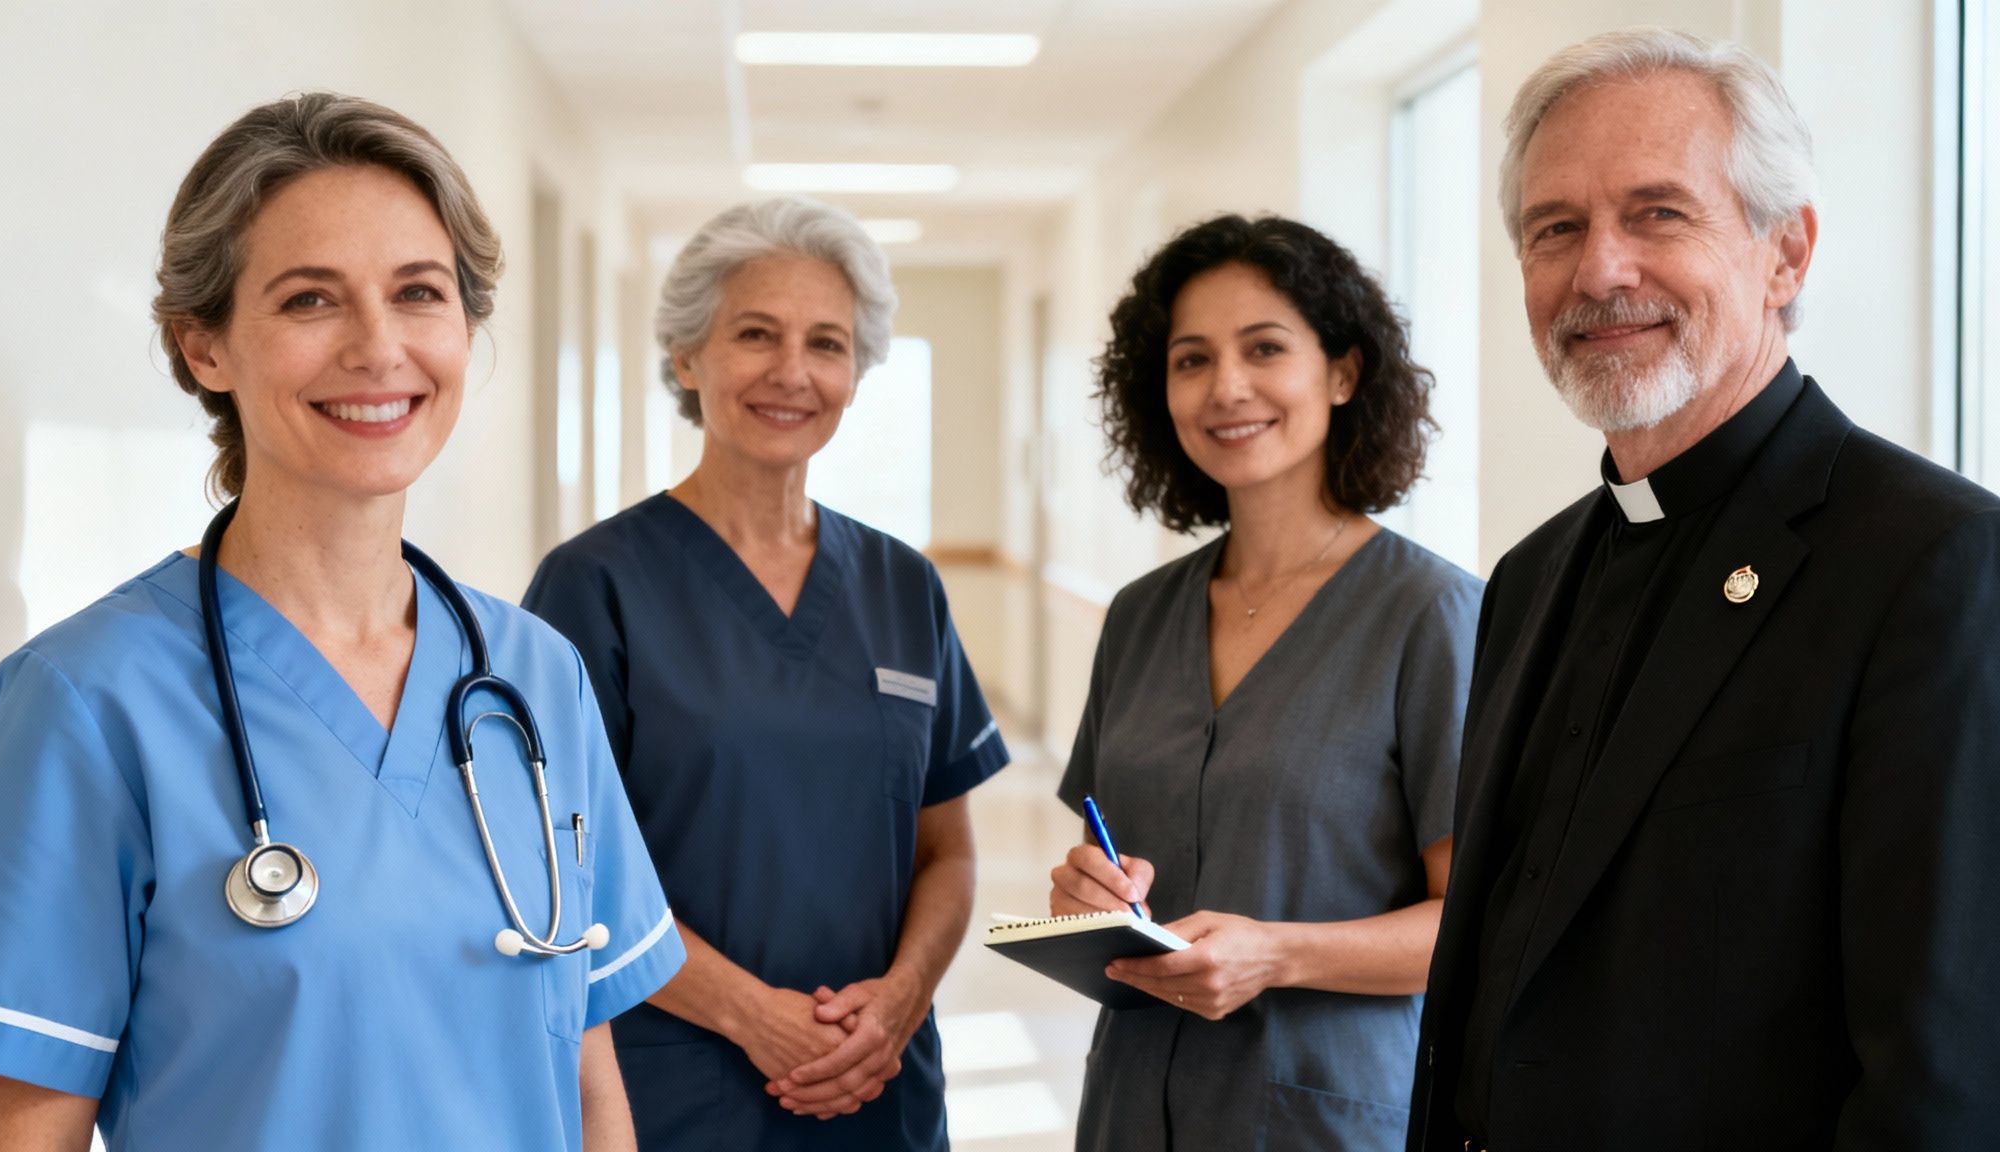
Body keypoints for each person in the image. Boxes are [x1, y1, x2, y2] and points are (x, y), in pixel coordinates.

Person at [0, 94, 684, 1152]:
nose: (379, 349)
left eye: (419, 293)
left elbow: (588, 1088)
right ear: (202, 345)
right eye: (309, 301)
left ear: (465, 328)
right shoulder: (85, 705)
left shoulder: (532, 676)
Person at [1407, 28, 2000, 1150]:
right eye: (1555, 229)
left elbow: (1943, 1072)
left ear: (1785, 254)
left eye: (1657, 214)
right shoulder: (1528, 579)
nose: (1598, 271)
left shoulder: (1933, 563)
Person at [522, 196, 1008, 1150]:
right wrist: (754, 1017)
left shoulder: (903, 584)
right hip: (677, 1090)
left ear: (858, 373)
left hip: (879, 1085)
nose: (793, 373)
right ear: (687, 356)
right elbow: (563, 881)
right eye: (755, 334)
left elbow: (947, 848)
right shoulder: (594, 587)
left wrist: (901, 1002)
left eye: (828, 343)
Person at [1046, 214, 1482, 1150]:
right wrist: (1086, 900)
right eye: (1191, 359)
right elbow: (1108, 865)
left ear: (1343, 372)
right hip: (1132, 1106)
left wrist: (1278, 954)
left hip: (1319, 1115)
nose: (1226, 388)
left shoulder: (1430, 614)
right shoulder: (1139, 616)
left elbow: (1477, 927)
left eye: (1265, 348)